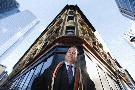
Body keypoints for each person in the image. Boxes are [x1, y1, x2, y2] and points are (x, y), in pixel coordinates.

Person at [31, 46, 96, 90]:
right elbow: (37, 85)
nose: (71, 54)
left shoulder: (83, 73)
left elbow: (91, 87)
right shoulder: (52, 69)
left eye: (74, 53)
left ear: (76, 57)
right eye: (69, 52)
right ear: (66, 54)